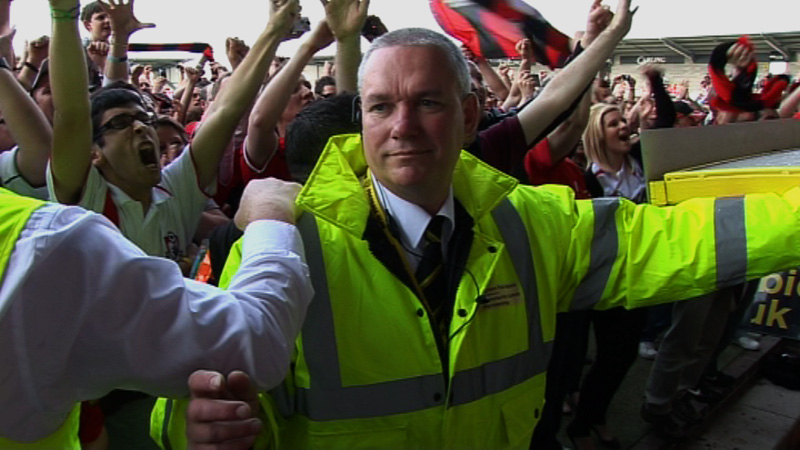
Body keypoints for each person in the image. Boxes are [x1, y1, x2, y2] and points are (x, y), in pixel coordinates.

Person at [174, 3, 800, 449]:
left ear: (470, 115)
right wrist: (192, 426)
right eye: (382, 106)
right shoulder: (284, 242)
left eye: (427, 102)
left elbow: (683, 239)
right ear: (361, 118)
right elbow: (193, 391)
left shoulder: (534, 223)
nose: (402, 126)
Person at [0, 177, 313, 447]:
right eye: (119, 128)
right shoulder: (43, 243)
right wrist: (270, 211)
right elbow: (257, 341)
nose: (139, 131)